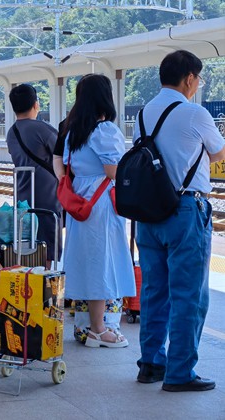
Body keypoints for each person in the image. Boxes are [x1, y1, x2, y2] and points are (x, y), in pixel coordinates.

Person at [135, 50, 225, 392]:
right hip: (186, 211)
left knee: (154, 290)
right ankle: (180, 372)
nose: (197, 84)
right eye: (198, 78)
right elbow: (218, 153)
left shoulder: (144, 113)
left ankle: (151, 364)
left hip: (149, 213)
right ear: (189, 78)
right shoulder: (194, 113)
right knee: (189, 294)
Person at [60, 74, 135, 348]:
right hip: (100, 202)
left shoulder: (73, 131)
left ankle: (88, 326)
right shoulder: (104, 131)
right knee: (102, 262)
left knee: (88, 263)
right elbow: (113, 170)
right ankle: (99, 330)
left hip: (81, 201)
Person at [6, 84, 62, 267]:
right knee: (47, 249)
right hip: (47, 197)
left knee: (28, 246)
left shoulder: (11, 132)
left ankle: (30, 285)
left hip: (23, 197)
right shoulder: (42, 129)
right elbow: (63, 154)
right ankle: (45, 288)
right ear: (36, 104)